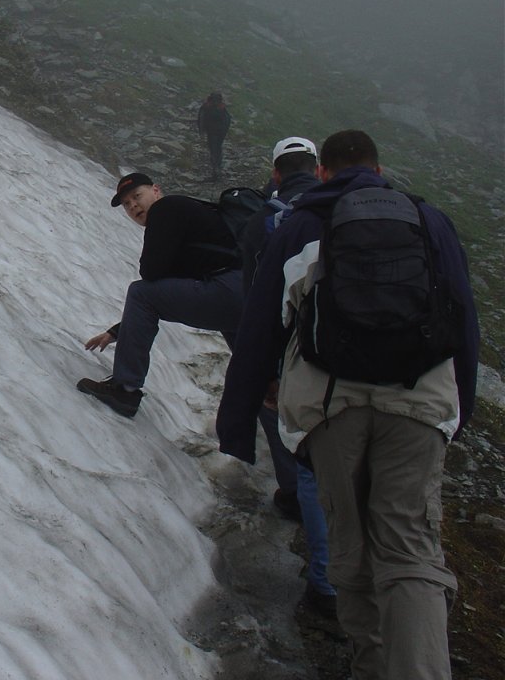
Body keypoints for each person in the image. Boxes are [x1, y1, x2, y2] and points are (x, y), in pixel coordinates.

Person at [216, 130, 480, 680]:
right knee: (409, 549)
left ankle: (370, 665)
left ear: (325, 173)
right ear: (379, 170)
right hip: (420, 403)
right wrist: (461, 411)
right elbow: (463, 317)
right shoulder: (428, 220)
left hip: (331, 405)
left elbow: (261, 320)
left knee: (353, 552)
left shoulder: (301, 224)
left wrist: (239, 418)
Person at [239, 136, 336, 617]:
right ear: (318, 169)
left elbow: (258, 298)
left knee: (313, 468)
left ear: (275, 173)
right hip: (399, 367)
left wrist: (266, 373)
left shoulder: (273, 219)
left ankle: (327, 588)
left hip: (310, 358)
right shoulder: (379, 208)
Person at [77, 172, 243, 417]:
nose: (133, 206)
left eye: (137, 196)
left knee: (140, 292)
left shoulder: (166, 208)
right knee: (258, 376)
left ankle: (125, 389)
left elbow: (151, 274)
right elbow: (171, 291)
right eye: (127, 204)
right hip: (248, 292)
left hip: (227, 289)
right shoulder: (187, 214)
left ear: (156, 190)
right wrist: (117, 331)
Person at [197, 92, 232, 178]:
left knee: (213, 149)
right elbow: (227, 120)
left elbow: (201, 119)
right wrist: (224, 132)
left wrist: (201, 131)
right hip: (220, 133)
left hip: (211, 132)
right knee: (218, 149)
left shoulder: (206, 107)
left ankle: (215, 169)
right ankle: (218, 168)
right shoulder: (222, 108)